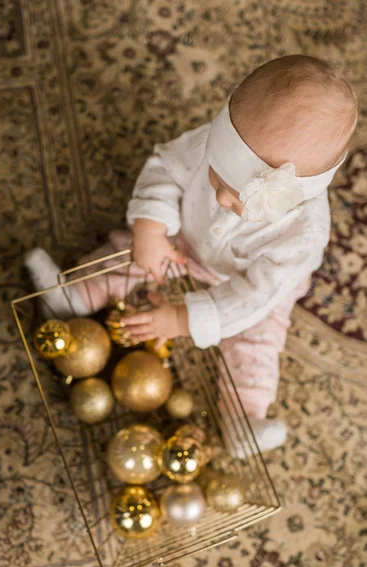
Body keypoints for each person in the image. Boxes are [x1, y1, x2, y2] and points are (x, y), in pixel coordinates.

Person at [25, 55, 358, 457]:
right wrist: (151, 224)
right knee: (132, 249)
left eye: (236, 199)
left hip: (254, 284)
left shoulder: (302, 235)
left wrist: (184, 318)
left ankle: (244, 417)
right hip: (187, 239)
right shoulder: (209, 141)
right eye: (217, 176)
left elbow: (255, 296)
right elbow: (166, 167)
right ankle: (74, 296)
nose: (219, 196)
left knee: (259, 338)